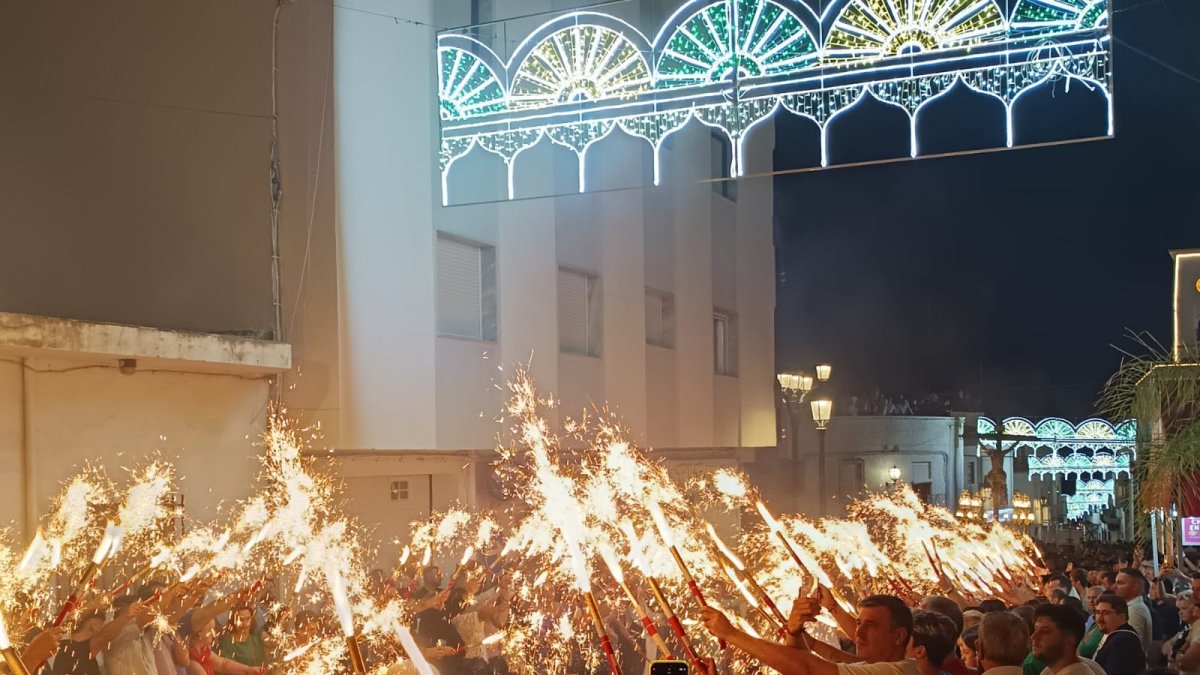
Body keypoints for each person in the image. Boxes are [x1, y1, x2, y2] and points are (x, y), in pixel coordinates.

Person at [699, 594, 919, 675]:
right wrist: (794, 631)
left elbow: (806, 669)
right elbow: (800, 667)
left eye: (871, 625)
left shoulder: (897, 672)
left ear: (899, 636)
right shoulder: (865, 668)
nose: (858, 632)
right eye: (858, 623)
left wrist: (731, 633)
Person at [171, 612, 264, 675]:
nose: (214, 634)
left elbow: (223, 664)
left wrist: (248, 669)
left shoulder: (203, 649)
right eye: (211, 630)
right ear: (199, 633)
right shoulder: (192, 661)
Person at [1029, 604, 1103, 675]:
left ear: (1070, 640)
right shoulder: (1054, 668)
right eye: (1036, 629)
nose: (1034, 637)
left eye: (1045, 631)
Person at [93, 595, 158, 675]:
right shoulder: (115, 638)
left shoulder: (145, 633)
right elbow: (144, 618)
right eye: (137, 609)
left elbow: (167, 614)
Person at [1092, 594, 1147, 675]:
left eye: (1106, 613)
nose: (1099, 618)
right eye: (1097, 612)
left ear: (1122, 616)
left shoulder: (1124, 641)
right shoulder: (1116, 636)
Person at [49, 611, 104, 675]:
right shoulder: (64, 648)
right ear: (94, 623)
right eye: (101, 624)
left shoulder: (63, 646)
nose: (102, 628)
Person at [217, 605, 268, 670]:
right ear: (234, 620)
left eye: (248, 619)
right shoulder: (228, 641)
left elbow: (270, 641)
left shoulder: (256, 633)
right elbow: (229, 669)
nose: (245, 623)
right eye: (241, 619)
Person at [1114, 567, 1154, 651]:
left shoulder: (1135, 610)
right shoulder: (1132, 607)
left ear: (1134, 587)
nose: (1114, 586)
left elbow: (1129, 644)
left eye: (1120, 583)